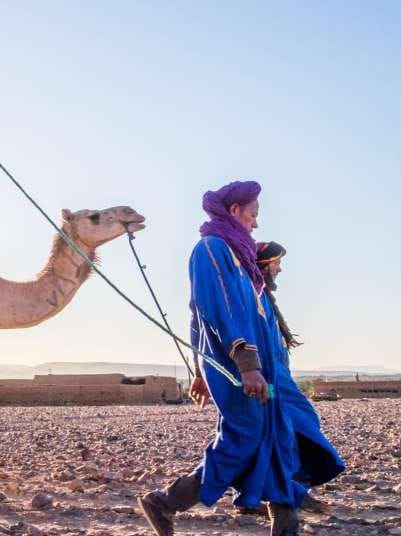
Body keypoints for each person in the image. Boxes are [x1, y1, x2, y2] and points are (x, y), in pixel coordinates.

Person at [138, 181, 344, 536]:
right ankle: (166, 501)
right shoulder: (212, 250)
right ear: (235, 211)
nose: (256, 223)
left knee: (283, 431)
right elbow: (216, 312)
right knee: (244, 437)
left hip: (267, 374)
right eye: (253, 214)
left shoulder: (241, 260)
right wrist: (243, 367)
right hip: (240, 372)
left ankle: (286, 519)